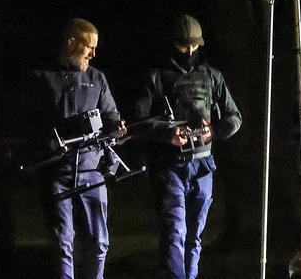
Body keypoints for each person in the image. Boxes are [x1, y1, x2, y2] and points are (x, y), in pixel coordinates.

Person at [133, 14, 242, 279]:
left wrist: (212, 131)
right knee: (175, 231)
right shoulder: (156, 76)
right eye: (184, 45)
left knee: (195, 233)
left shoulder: (211, 76)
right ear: (173, 43)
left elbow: (234, 117)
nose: (190, 51)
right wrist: (168, 133)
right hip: (169, 165)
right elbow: (138, 121)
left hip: (203, 164)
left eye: (194, 45)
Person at [23, 18, 126, 279]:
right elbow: (27, 124)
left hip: (93, 172)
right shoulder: (41, 78)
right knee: (62, 244)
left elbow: (111, 116)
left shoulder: (97, 78)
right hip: (58, 173)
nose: (93, 53)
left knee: (99, 242)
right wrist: (45, 139)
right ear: (71, 43)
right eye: (88, 47)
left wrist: (117, 129)